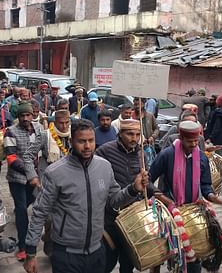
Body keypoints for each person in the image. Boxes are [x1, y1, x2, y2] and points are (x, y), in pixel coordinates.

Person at [23, 119, 149, 273]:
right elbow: (39, 212)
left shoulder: (104, 166)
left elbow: (114, 200)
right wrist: (30, 251)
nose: (88, 146)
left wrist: (133, 189)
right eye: (82, 141)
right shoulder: (55, 172)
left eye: (91, 140)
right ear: (71, 141)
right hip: (66, 254)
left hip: (97, 250)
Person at [149, 121, 222, 273]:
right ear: (181, 138)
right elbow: (147, 181)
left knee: (193, 259)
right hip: (170, 212)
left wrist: (213, 198)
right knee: (162, 254)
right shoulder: (166, 155)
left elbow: (206, 185)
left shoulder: (202, 158)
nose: (194, 144)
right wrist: (163, 199)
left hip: (192, 213)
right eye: (190, 141)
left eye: (196, 140)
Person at [95, 119, 155, 273]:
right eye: (129, 133)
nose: (134, 138)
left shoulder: (141, 154)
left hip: (133, 218)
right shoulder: (104, 151)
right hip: (110, 217)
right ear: (120, 133)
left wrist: (155, 191)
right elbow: (98, 183)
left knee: (128, 264)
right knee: (106, 262)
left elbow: (145, 183)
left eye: (137, 134)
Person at [23, 109, 71, 256]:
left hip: (68, 184)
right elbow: (27, 156)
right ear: (54, 122)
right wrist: (33, 177)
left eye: (66, 123)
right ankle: (49, 244)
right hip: (47, 185)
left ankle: (55, 241)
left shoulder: (73, 135)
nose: (63, 126)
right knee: (49, 219)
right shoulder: (45, 136)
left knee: (64, 219)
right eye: (60, 123)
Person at [4, 102, 43, 261]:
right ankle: (23, 246)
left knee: (31, 201)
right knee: (22, 210)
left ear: (33, 115)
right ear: (18, 117)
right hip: (17, 178)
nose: (26, 118)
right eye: (22, 116)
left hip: (36, 178)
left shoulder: (39, 129)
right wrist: (30, 173)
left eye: (28, 115)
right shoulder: (10, 132)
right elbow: (11, 157)